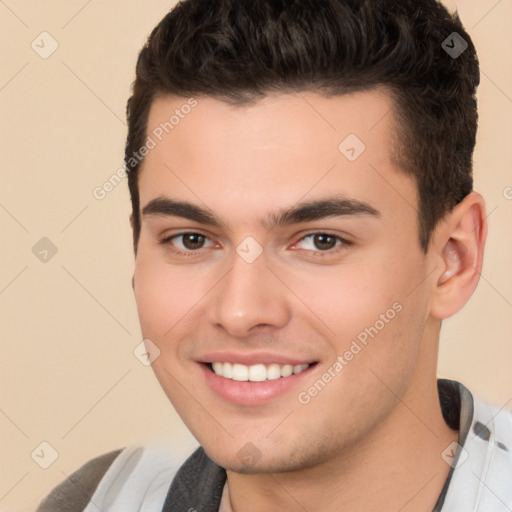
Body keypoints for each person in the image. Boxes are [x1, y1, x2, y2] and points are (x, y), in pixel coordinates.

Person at [37, 0, 512, 510]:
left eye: (320, 241)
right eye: (191, 240)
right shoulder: (95, 499)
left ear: (453, 259)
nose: (240, 312)